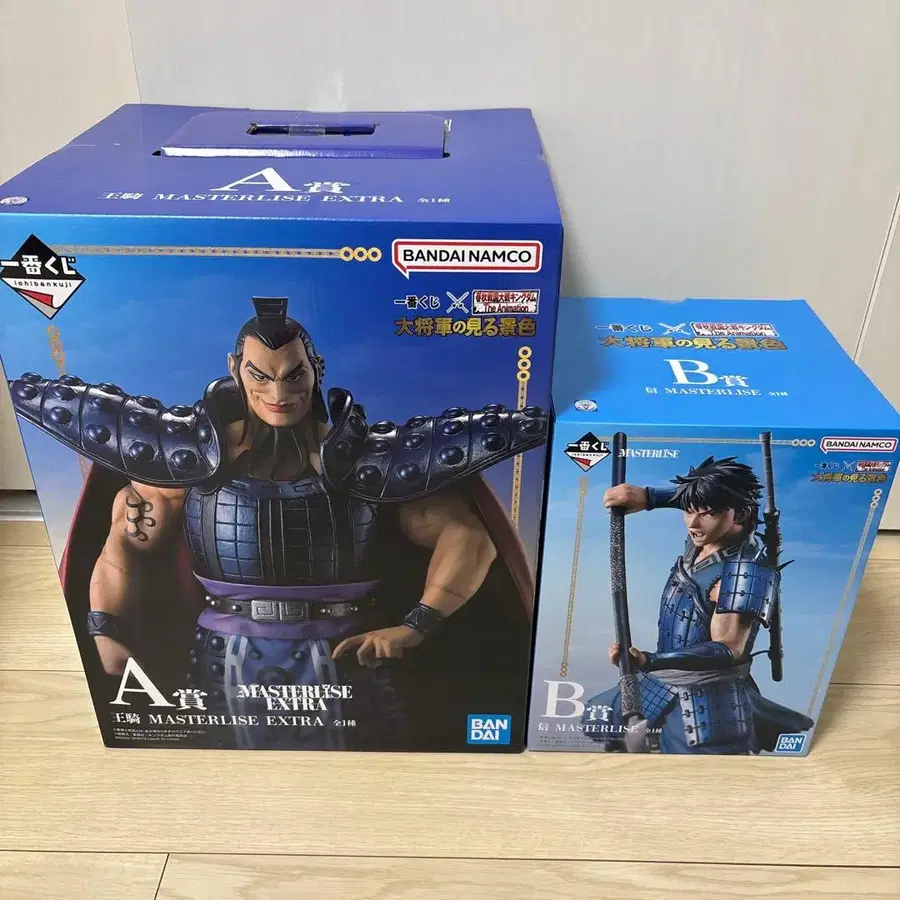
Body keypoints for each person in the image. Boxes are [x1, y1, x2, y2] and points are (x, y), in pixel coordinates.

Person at [9, 297, 546, 749]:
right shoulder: (188, 463)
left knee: (370, 764)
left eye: (294, 376)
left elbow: (466, 536)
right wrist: (106, 631)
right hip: (224, 653)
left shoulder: (358, 461)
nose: (278, 393)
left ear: (316, 369)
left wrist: (415, 625)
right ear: (235, 369)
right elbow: (122, 548)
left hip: (345, 651)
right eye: (260, 376)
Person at [583, 456, 813, 754]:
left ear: (741, 514)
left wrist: (648, 660)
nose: (692, 523)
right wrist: (648, 497)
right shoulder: (704, 541)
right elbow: (699, 497)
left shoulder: (744, 571)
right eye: (688, 510)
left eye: (708, 514)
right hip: (663, 679)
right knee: (598, 719)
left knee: (689, 754)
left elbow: (728, 648)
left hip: (709, 695)